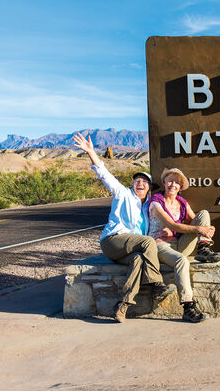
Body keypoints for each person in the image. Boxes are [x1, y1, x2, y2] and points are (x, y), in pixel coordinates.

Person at [73, 132, 175, 323]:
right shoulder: (123, 194)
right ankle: (156, 285)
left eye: (144, 182)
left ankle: (123, 305)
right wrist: (91, 153)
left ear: (149, 188)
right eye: (137, 180)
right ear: (132, 184)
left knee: (137, 260)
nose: (140, 183)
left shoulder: (148, 208)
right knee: (146, 242)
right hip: (112, 241)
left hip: (130, 248)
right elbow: (103, 173)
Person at [146, 167, 220, 322]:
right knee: (181, 260)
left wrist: (206, 230)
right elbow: (171, 225)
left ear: (180, 187)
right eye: (170, 181)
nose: (173, 185)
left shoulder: (182, 202)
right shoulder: (156, 202)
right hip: (160, 245)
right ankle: (188, 307)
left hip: (179, 244)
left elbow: (198, 220)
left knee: (204, 215)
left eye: (177, 182)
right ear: (164, 183)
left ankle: (204, 248)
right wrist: (199, 229)